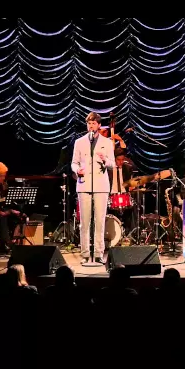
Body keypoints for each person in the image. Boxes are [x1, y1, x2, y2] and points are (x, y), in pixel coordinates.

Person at [71, 112, 115, 264]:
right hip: (84, 185)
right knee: (84, 222)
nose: (91, 126)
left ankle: (98, 253)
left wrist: (105, 160)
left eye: (93, 123)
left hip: (101, 186)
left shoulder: (107, 142)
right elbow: (74, 162)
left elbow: (112, 164)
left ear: (99, 125)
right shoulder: (79, 142)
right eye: (89, 123)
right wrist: (77, 170)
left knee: (99, 222)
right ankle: (85, 254)